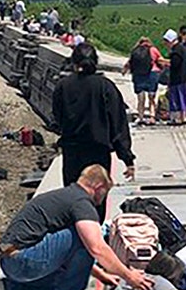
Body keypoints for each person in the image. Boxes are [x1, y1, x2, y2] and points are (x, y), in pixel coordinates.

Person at [0, 165, 154, 290]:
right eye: (104, 192)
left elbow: (68, 251)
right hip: (25, 260)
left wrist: (101, 274)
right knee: (87, 235)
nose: (103, 198)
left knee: (61, 281)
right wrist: (129, 276)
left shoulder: (66, 196)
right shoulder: (81, 203)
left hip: (11, 261)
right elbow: (96, 248)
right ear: (98, 186)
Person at [51, 43, 136, 217]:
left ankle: (76, 238)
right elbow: (118, 124)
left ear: (74, 62)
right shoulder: (105, 86)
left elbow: (57, 118)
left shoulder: (63, 86)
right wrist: (126, 157)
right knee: (96, 202)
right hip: (98, 153)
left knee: (73, 201)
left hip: (72, 151)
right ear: (95, 61)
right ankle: (94, 239)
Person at [123, 37, 162, 125]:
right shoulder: (153, 50)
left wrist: (124, 70)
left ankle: (141, 117)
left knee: (140, 98)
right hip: (152, 74)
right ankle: (152, 117)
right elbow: (160, 60)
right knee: (151, 97)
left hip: (138, 75)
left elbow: (129, 62)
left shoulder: (135, 50)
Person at [163, 29, 186, 124]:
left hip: (178, 79)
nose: (165, 44)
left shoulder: (176, 50)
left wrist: (164, 62)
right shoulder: (183, 48)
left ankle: (177, 118)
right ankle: (184, 117)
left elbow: (175, 63)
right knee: (184, 99)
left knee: (177, 99)